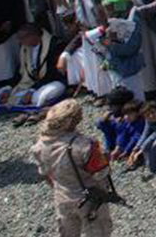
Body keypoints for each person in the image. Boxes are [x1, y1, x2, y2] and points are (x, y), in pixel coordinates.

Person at [32, 99, 120, 237]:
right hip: (91, 199)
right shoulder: (85, 145)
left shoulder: (39, 146)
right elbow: (101, 173)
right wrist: (105, 158)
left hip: (62, 198)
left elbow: (46, 175)